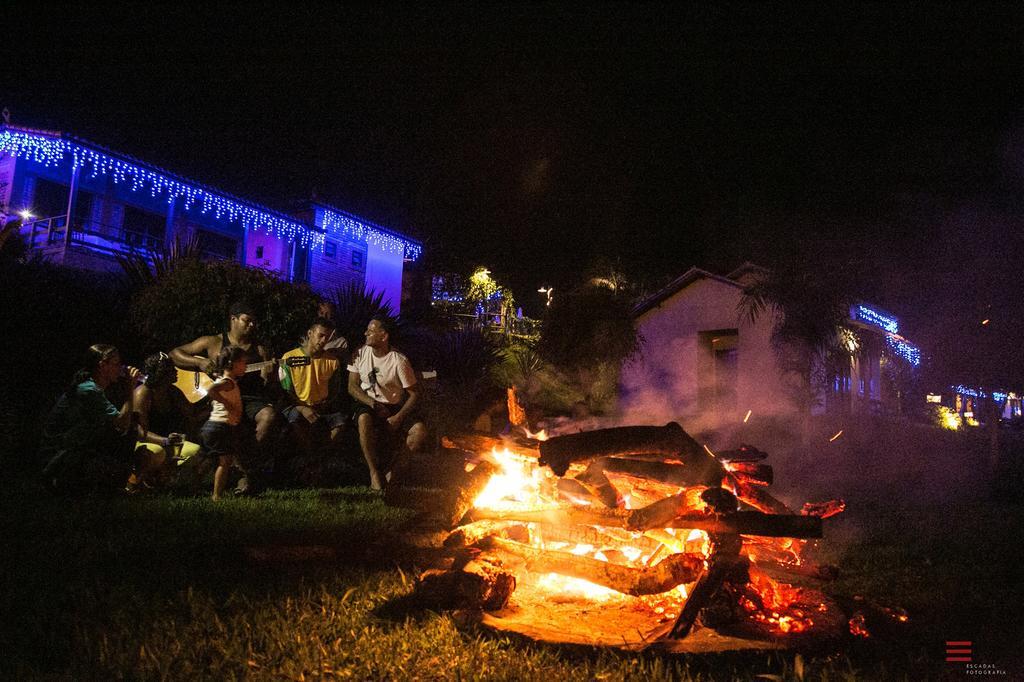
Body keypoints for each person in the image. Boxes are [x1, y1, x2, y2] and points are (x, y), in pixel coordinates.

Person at [170, 301, 275, 494]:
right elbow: (174, 354)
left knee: (268, 416)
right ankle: (238, 472)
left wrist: (269, 374)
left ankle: (243, 464)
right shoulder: (213, 342)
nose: (251, 325)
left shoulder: (259, 350)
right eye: (247, 320)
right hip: (219, 397)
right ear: (233, 319)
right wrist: (199, 363)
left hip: (249, 398)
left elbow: (265, 385)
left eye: (254, 322)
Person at [39, 344, 152, 494]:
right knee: (118, 467)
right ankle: (64, 483)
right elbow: (121, 424)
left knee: (130, 446)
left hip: (74, 452)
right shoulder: (88, 391)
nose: (121, 368)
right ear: (102, 365)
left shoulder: (97, 389)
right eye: (116, 364)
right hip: (59, 458)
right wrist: (130, 389)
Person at [348, 317, 427, 491]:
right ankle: (374, 472)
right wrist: (372, 403)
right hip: (367, 404)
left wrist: (399, 417)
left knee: (419, 431)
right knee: (363, 419)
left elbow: (414, 394)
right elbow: (352, 386)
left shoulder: (398, 361)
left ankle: (393, 473)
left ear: (383, 336)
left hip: (393, 407)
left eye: (370, 330)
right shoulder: (360, 353)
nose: (365, 333)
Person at [280, 317, 348, 454]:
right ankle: (309, 456)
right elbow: (285, 391)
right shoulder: (288, 358)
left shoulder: (332, 361)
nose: (323, 341)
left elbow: (335, 390)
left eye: (327, 337)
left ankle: (321, 455)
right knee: (294, 420)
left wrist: (323, 405)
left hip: (322, 406)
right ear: (310, 333)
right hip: (297, 405)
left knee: (340, 423)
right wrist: (302, 408)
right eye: (320, 335)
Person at [132, 352, 202, 485]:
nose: (176, 371)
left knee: (196, 451)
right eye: (171, 369)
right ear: (161, 373)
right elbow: (140, 432)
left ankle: (168, 479)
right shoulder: (143, 393)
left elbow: (192, 414)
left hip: (170, 444)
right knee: (158, 452)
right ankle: (140, 480)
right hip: (148, 444)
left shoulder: (173, 391)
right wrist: (165, 441)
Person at [199, 345, 247, 501]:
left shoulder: (227, 380)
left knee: (212, 458)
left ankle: (193, 482)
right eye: (243, 363)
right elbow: (212, 390)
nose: (245, 366)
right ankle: (216, 495)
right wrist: (227, 403)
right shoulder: (228, 382)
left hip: (214, 427)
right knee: (224, 462)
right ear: (232, 363)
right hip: (220, 427)